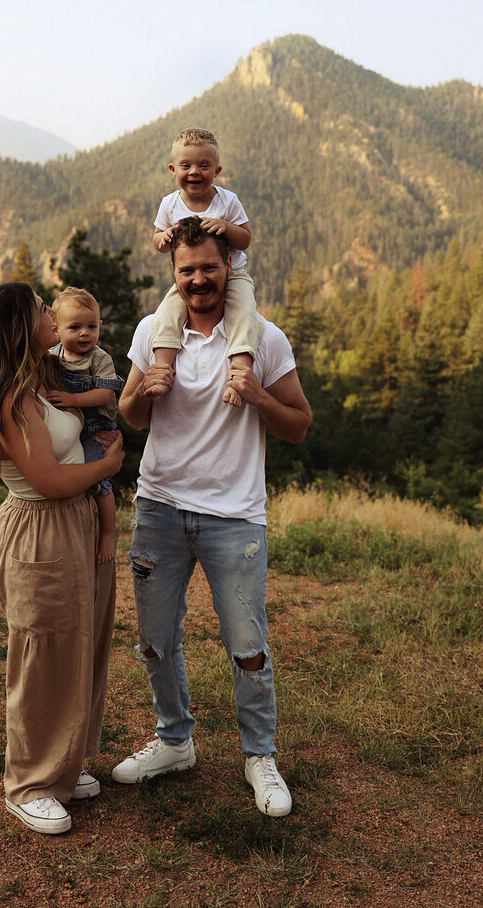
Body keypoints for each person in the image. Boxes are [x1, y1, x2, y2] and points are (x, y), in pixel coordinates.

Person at [112, 217, 312, 817]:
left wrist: (258, 397)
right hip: (160, 508)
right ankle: (175, 741)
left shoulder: (263, 338)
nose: (199, 280)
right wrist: (143, 389)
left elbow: (299, 425)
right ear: (174, 275)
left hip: (235, 517)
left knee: (248, 645)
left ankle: (259, 755)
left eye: (209, 268)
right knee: (154, 641)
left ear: (230, 268)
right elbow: (132, 417)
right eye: (187, 271)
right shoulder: (154, 330)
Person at [0, 281, 123, 835]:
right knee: (42, 652)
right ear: (18, 328)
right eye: (41, 309)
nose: (52, 313)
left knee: (80, 644)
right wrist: (107, 467)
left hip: (75, 523)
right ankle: (29, 783)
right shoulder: (11, 397)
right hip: (43, 527)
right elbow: (49, 481)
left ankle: (64, 766)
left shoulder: (37, 380)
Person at [150, 126, 262, 408]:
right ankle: (161, 369)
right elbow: (157, 237)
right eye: (186, 165)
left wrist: (226, 227)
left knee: (243, 314)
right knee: (166, 314)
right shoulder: (169, 204)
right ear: (172, 168)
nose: (194, 172)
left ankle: (239, 375)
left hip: (232, 274)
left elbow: (245, 239)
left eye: (204, 166)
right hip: (186, 280)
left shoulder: (227, 201)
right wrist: (163, 239)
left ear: (217, 170)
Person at [42, 285, 124, 565]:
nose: (84, 333)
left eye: (91, 326)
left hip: (95, 428)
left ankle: (109, 532)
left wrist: (72, 399)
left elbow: (106, 393)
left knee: (96, 477)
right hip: (69, 426)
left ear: (100, 326)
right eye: (75, 327)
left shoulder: (99, 359)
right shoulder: (53, 356)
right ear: (56, 329)